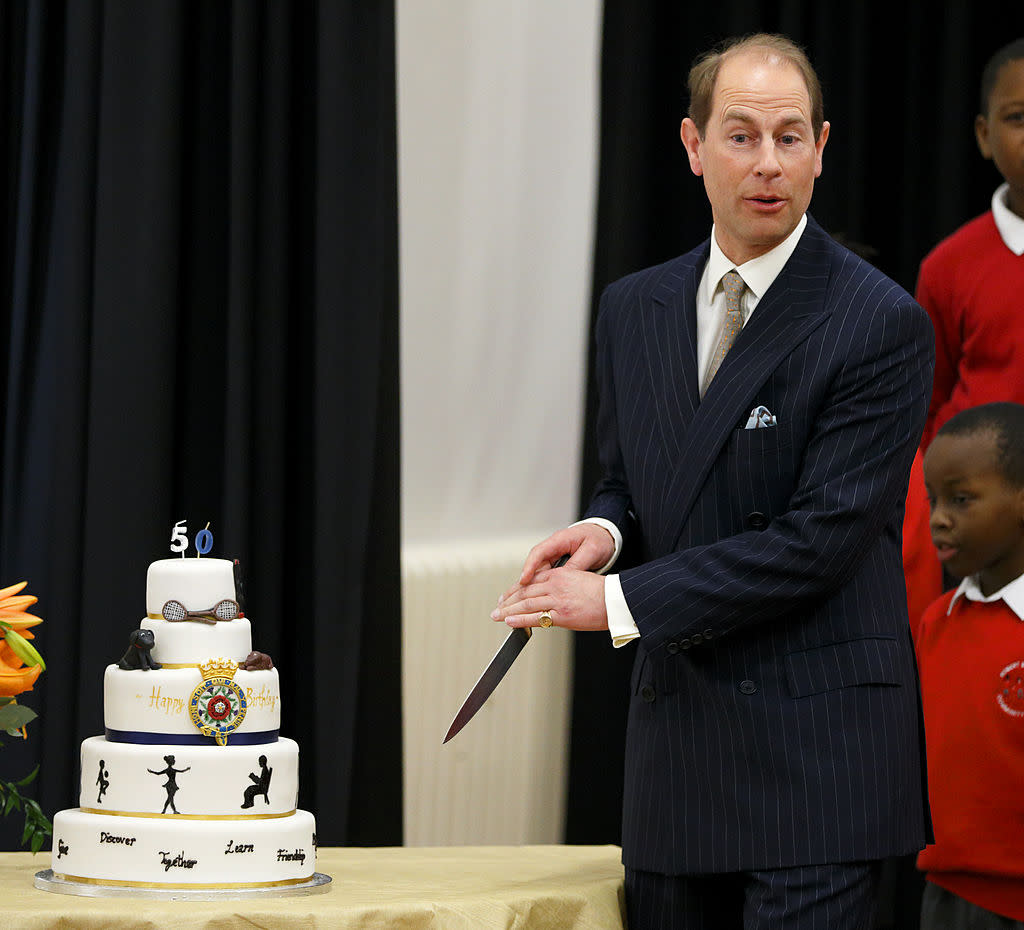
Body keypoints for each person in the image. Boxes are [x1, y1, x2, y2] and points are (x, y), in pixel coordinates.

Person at [491, 33, 934, 929]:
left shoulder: (880, 322)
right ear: (693, 147)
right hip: (680, 753)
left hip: (820, 762)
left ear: (821, 148)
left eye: (790, 137)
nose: (767, 164)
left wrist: (614, 602)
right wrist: (605, 532)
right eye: (740, 136)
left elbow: (815, 545)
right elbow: (630, 478)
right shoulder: (635, 306)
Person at [916, 402, 1024, 929]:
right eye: (934, 499)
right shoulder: (937, 623)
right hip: (945, 894)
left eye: (961, 499)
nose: (938, 517)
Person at [916, 39, 1024, 451]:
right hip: (976, 501)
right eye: (1018, 117)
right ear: (984, 134)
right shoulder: (947, 266)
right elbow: (926, 406)